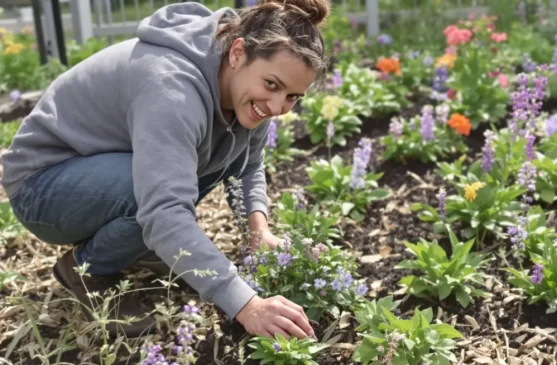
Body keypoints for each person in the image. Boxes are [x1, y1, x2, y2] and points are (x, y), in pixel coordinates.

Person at [0, 0, 330, 339]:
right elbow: (164, 211)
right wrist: (247, 305)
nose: (277, 106)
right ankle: (87, 270)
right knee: (155, 197)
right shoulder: (172, 89)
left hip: (99, 169)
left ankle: (134, 246)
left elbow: (247, 164)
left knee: (174, 178)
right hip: (41, 184)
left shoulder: (248, 90)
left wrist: (257, 231)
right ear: (237, 53)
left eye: (293, 97)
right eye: (273, 85)